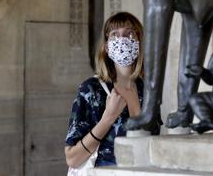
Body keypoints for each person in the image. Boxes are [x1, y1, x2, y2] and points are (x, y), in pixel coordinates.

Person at [65, 12, 161, 168]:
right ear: (106, 47)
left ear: (139, 43)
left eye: (129, 33)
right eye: (115, 35)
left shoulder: (148, 91)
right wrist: (108, 118)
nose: (122, 39)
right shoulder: (91, 90)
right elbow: (72, 159)